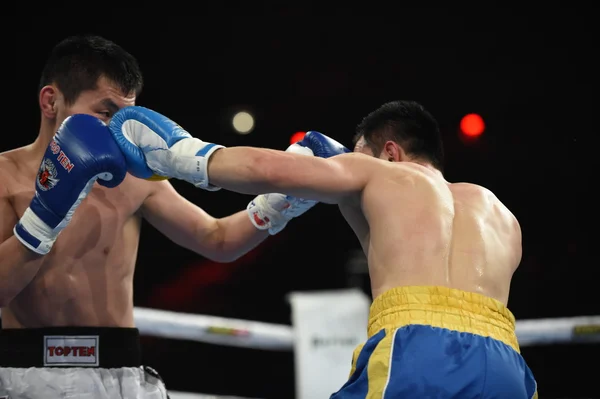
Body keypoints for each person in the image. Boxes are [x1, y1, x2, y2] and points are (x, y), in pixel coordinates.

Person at [112, 102, 538, 398]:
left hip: (418, 350)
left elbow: (263, 169)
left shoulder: (381, 174)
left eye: (362, 155)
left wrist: (180, 154)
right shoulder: (501, 214)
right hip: (506, 363)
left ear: (389, 152)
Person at [0, 35, 314, 399]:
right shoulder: (5, 176)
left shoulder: (135, 179)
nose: (117, 131)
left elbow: (216, 239)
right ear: (51, 101)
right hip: (26, 370)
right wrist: (45, 216)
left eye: (125, 114)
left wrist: (278, 204)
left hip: (119, 374)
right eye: (105, 113)